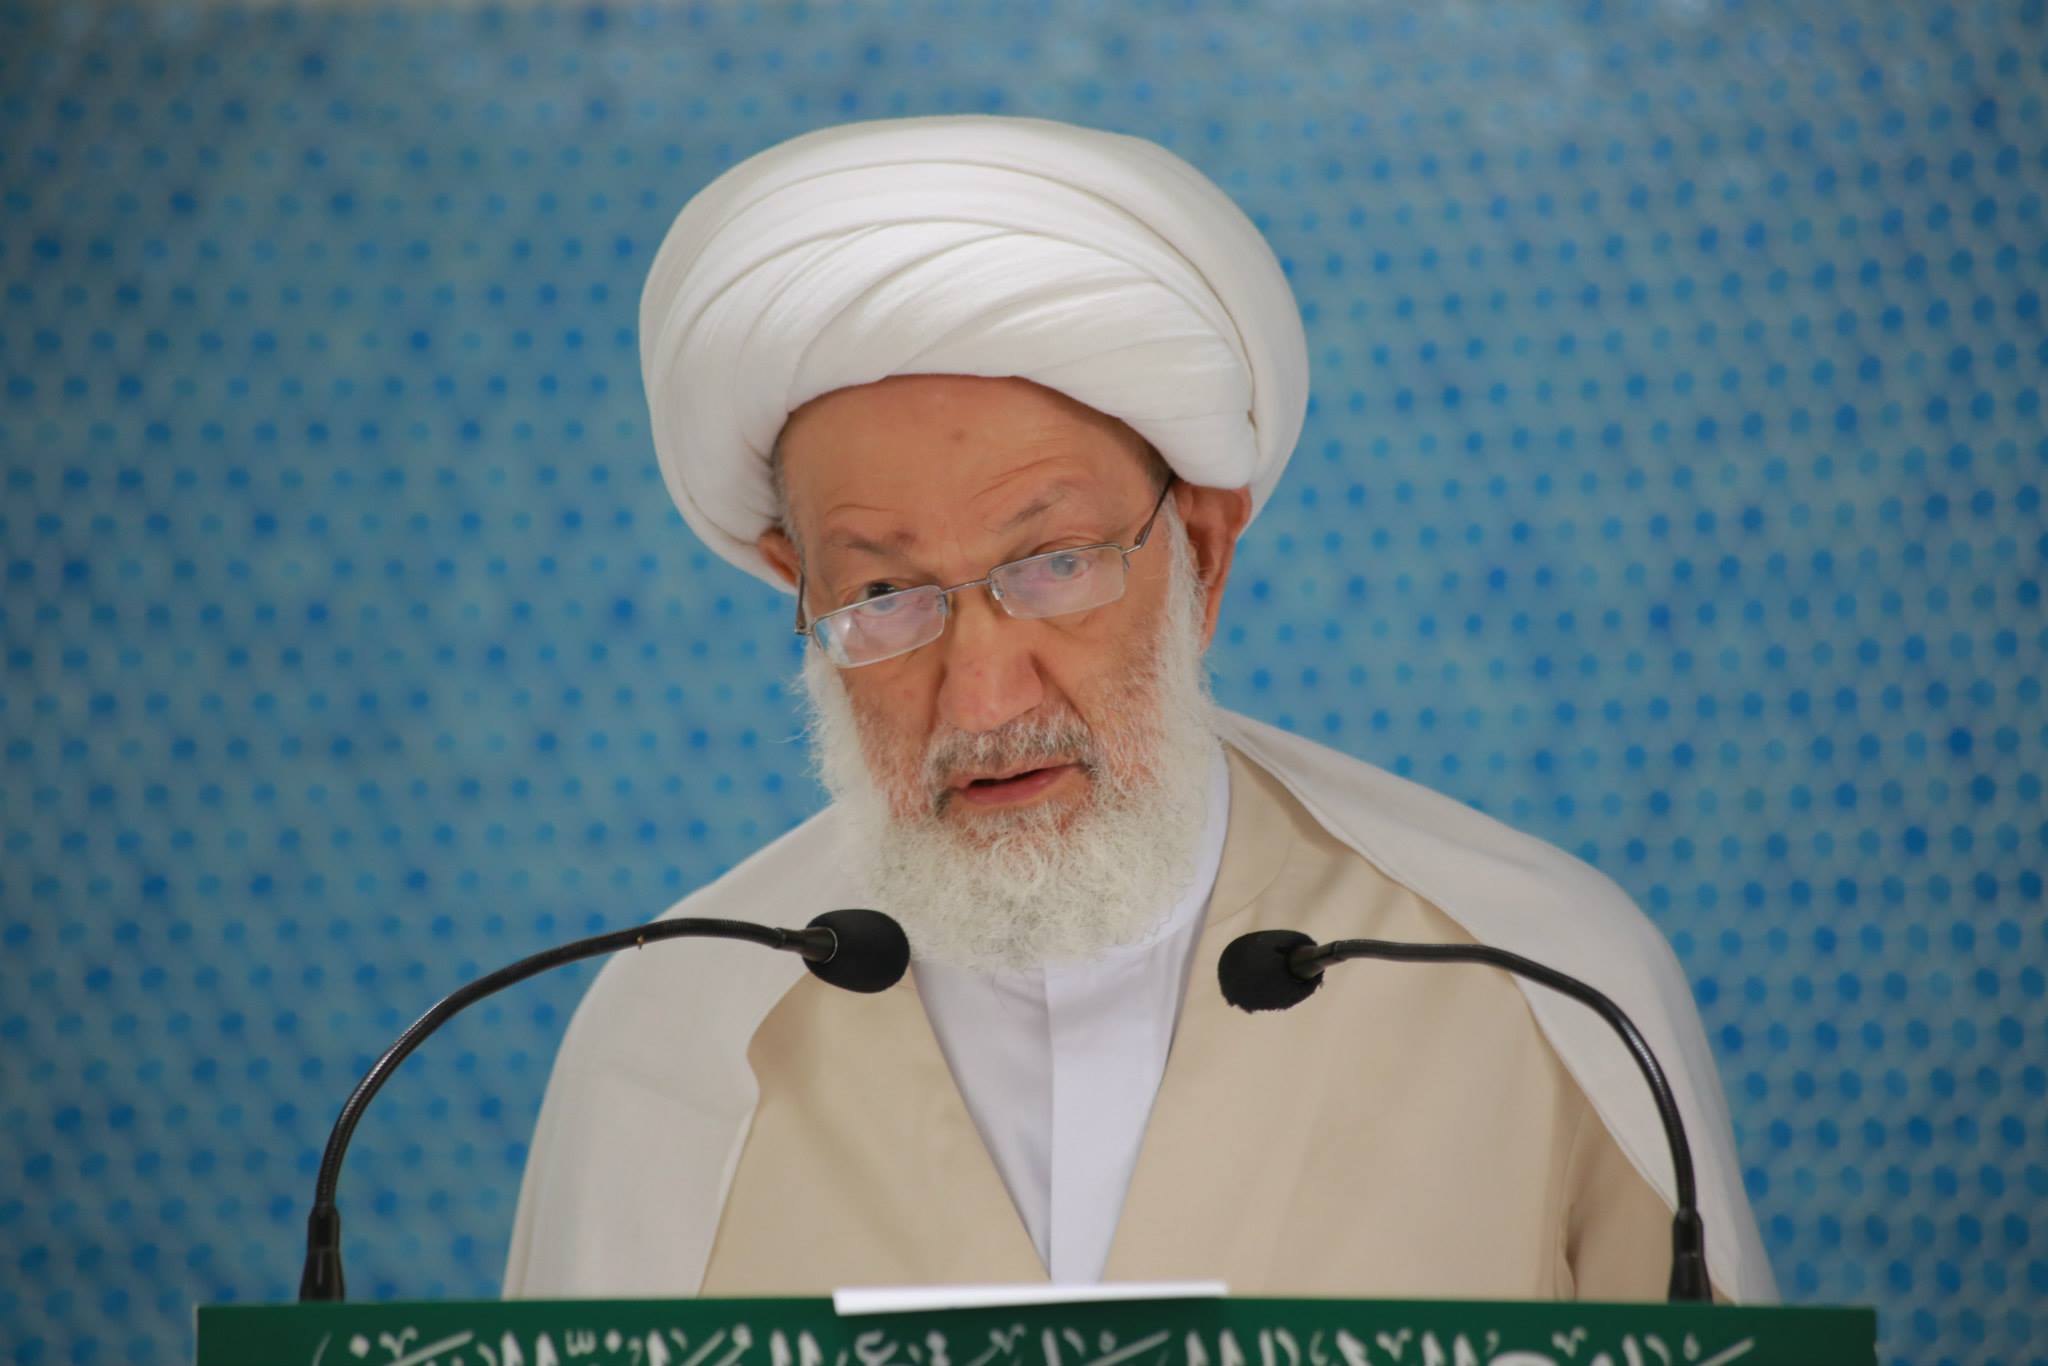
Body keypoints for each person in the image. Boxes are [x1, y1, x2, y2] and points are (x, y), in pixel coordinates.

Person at [504, 116, 1775, 1304]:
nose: (982, 695)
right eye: (883, 594)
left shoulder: (1540, 985)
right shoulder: (672, 1035)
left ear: (1202, 553)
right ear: (800, 589)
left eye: (1054, 565)